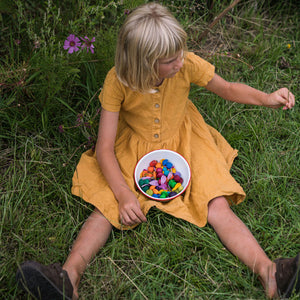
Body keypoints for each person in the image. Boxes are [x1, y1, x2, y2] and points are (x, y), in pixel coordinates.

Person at [16, 2, 299, 299]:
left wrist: (266, 98)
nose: (179, 62)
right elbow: (104, 149)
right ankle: (68, 278)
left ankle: (270, 273)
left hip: (187, 141)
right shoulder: (118, 81)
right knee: (106, 208)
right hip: (135, 148)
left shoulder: (186, 64)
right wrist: (124, 195)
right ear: (144, 62)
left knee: (216, 203)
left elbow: (227, 89)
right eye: (170, 59)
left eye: (180, 54)